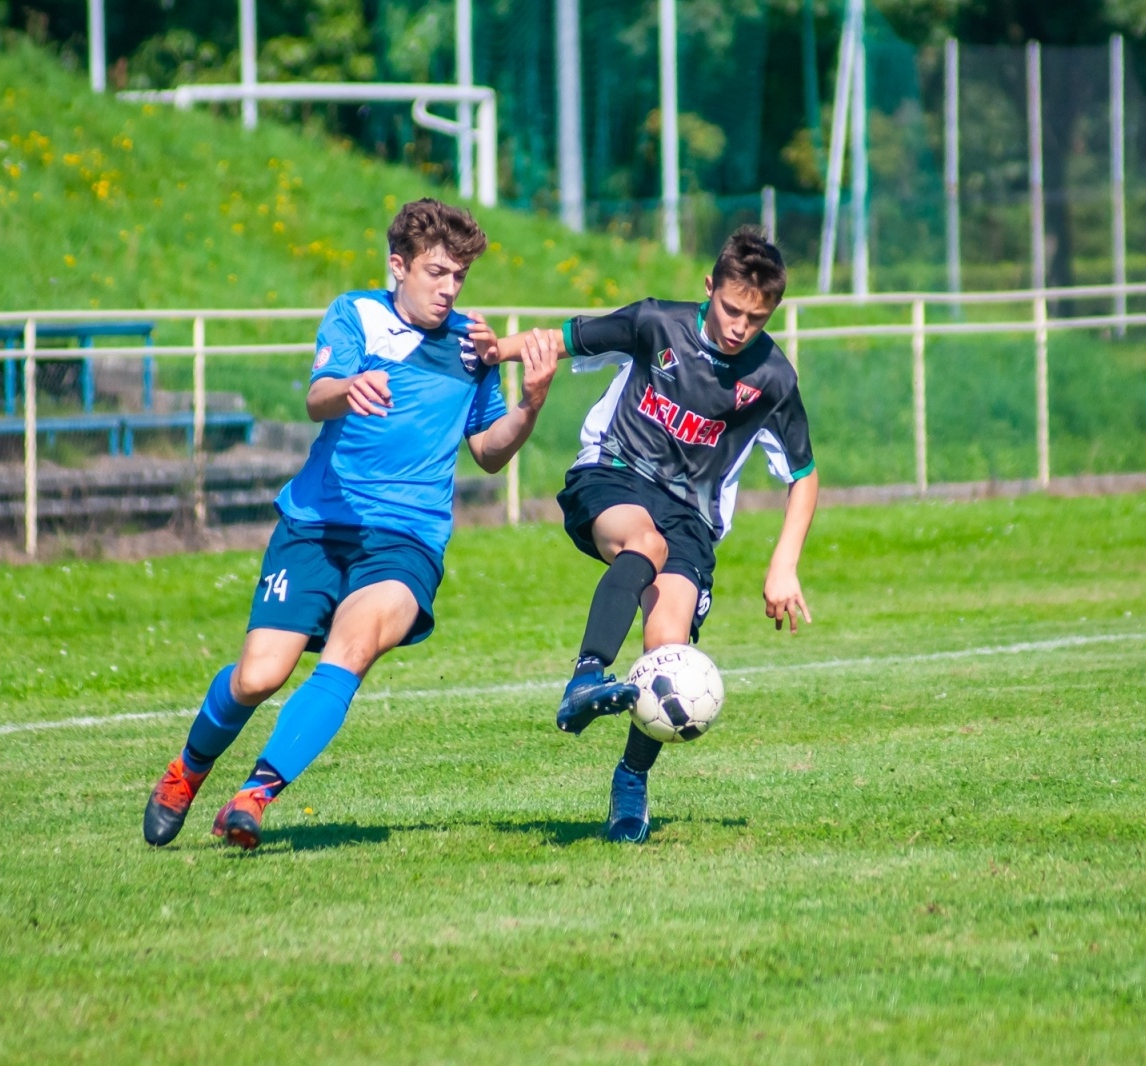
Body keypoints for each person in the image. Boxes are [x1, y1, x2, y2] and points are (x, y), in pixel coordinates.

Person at [142, 198, 559, 850]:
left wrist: (531, 405)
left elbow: (489, 453)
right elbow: (316, 398)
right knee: (259, 676)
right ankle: (187, 770)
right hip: (318, 524)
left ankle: (253, 796)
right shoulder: (356, 314)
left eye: (459, 277)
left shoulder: (474, 342)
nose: (450, 289)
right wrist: (349, 387)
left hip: (408, 538)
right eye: (437, 273)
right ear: (399, 266)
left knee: (354, 647)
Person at [490, 226, 818, 844]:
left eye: (756, 315)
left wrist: (784, 566)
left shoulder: (772, 377)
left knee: (669, 648)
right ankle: (585, 677)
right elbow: (558, 340)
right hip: (612, 475)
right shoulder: (655, 324)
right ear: (708, 288)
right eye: (730, 308)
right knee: (643, 543)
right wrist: (484, 352)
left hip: (691, 518)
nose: (740, 326)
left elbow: (804, 474)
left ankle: (631, 781)